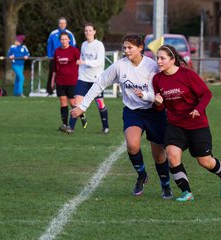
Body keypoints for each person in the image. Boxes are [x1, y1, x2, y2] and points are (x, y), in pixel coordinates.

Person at [71, 34, 173, 199]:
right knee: (132, 145)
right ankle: (141, 175)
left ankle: (166, 185)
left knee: (159, 154)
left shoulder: (152, 66)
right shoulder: (119, 66)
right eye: (124, 47)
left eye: (130, 47)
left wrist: (148, 96)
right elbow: (100, 83)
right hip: (133, 111)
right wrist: (83, 106)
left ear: (140, 48)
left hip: (154, 112)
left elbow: (162, 89)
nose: (126, 50)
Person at [153, 44, 221, 202]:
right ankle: (186, 193)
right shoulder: (157, 79)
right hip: (175, 125)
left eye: (162, 58)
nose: (159, 61)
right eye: (157, 58)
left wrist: (199, 109)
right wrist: (158, 103)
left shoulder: (187, 74)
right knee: (173, 156)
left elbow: (206, 93)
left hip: (196, 124)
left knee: (205, 161)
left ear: (172, 60)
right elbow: (161, 107)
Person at [66, 23, 109, 134]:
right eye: (86, 31)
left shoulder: (99, 45)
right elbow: (81, 61)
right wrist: (80, 72)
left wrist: (85, 62)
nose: (88, 33)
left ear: (94, 32)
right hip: (83, 78)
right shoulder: (84, 44)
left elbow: (99, 62)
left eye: (90, 30)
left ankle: (106, 127)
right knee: (77, 103)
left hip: (96, 79)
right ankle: (70, 128)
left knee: (100, 103)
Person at [52, 32, 80, 132]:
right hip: (60, 81)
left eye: (65, 39)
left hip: (72, 81)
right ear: (60, 41)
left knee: (72, 102)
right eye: (62, 39)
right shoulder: (57, 51)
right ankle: (65, 124)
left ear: (69, 40)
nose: (64, 41)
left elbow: (80, 63)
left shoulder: (74, 51)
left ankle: (81, 114)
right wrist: (53, 80)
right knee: (63, 102)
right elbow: (55, 67)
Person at [46, 17, 76, 96]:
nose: (62, 25)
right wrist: (49, 56)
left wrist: (72, 57)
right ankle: (50, 90)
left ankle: (65, 90)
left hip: (67, 59)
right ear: (58, 24)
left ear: (66, 24)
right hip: (54, 58)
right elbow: (49, 45)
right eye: (60, 23)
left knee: (66, 73)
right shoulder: (53, 33)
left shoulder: (69, 34)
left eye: (64, 23)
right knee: (52, 74)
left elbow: (73, 46)